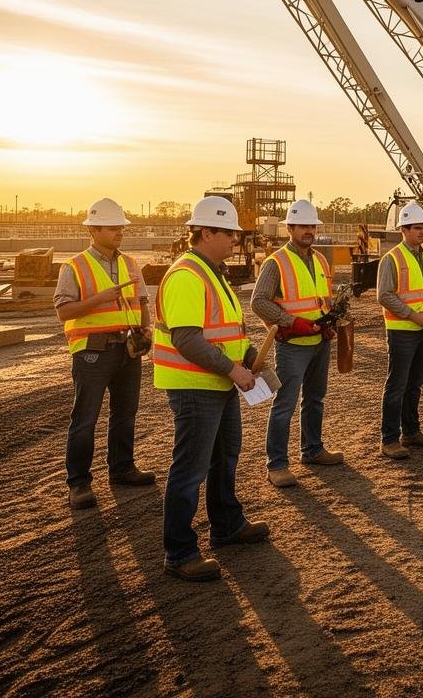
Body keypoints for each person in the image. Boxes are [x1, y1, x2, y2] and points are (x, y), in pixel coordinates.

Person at [153, 196, 269, 582]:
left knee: (225, 455)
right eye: (229, 234)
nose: (235, 241)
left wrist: (249, 354)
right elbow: (188, 339)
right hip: (195, 386)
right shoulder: (187, 275)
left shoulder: (213, 272)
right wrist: (234, 371)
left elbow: (225, 332)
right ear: (206, 232)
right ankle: (180, 551)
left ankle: (227, 525)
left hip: (217, 382)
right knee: (191, 468)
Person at [54, 198, 156, 510]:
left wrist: (145, 330)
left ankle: (122, 468)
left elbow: (141, 302)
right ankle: (79, 483)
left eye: (122, 227)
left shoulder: (129, 263)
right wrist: (99, 298)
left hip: (128, 349)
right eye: (113, 227)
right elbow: (63, 311)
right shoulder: (74, 266)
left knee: (125, 413)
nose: (120, 232)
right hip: (93, 352)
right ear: (94, 229)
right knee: (85, 419)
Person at [253, 199, 344, 488]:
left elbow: (322, 299)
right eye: (303, 225)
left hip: (319, 340)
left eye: (312, 226)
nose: (308, 230)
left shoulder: (320, 260)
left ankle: (313, 450)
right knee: (285, 403)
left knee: (315, 398)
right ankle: (276, 465)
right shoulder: (276, 262)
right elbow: (258, 302)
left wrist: (327, 323)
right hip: (292, 344)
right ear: (289, 227)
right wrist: (292, 322)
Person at [376, 202, 423, 459]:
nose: (422, 232)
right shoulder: (392, 259)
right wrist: (412, 315)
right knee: (397, 384)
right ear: (403, 230)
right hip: (401, 330)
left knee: (415, 383)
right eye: (417, 228)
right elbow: (384, 295)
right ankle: (389, 438)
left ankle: (411, 431)